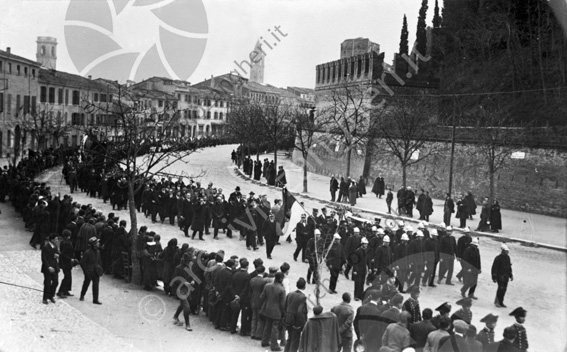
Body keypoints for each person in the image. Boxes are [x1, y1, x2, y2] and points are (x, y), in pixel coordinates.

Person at [260, 272, 286, 351]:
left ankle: (264, 341)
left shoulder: (267, 286)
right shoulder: (282, 290)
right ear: (281, 279)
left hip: (267, 309)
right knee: (275, 328)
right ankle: (274, 345)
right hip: (276, 312)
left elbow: (262, 297)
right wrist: (284, 313)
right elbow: (282, 304)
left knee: (267, 325)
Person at [283, 278, 308, 352]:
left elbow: (285, 306)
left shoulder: (290, 294)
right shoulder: (302, 297)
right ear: (304, 286)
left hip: (288, 319)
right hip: (296, 322)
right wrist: (302, 324)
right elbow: (301, 312)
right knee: (295, 341)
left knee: (290, 338)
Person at [171, 252, 195, 331]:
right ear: (185, 261)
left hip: (187, 289)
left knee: (183, 304)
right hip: (180, 289)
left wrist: (192, 281)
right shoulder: (178, 268)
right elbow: (174, 279)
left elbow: (192, 277)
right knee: (186, 307)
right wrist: (184, 282)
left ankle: (175, 316)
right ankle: (187, 325)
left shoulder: (190, 267)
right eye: (189, 261)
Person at [80, 236, 103, 304]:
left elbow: (99, 261)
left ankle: (95, 299)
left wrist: (100, 268)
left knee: (96, 285)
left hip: (96, 271)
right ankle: (82, 295)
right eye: (97, 243)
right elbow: (82, 263)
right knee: (86, 284)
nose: (98, 244)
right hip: (89, 271)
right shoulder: (87, 253)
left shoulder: (98, 252)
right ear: (94, 244)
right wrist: (85, 271)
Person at [57, 230, 77, 298]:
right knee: (67, 277)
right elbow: (63, 254)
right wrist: (70, 259)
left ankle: (65, 290)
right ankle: (60, 291)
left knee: (68, 276)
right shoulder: (66, 243)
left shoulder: (64, 242)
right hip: (66, 262)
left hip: (66, 262)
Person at [491, 243, 513, 308]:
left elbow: (509, 267)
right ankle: (497, 302)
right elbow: (494, 268)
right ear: (503, 250)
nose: (507, 252)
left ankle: (501, 302)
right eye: (506, 250)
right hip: (500, 277)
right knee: (500, 289)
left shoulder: (508, 258)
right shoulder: (498, 258)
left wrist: (511, 275)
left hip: (506, 277)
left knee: (504, 290)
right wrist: (494, 277)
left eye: (508, 251)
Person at [41, 233, 60, 304]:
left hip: (55, 266)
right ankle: (45, 297)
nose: (57, 240)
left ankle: (51, 295)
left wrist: (57, 255)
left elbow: (57, 253)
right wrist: (49, 267)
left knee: (55, 281)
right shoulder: (46, 247)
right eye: (56, 239)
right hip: (48, 268)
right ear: (52, 240)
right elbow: (44, 258)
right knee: (47, 283)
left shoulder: (55, 246)